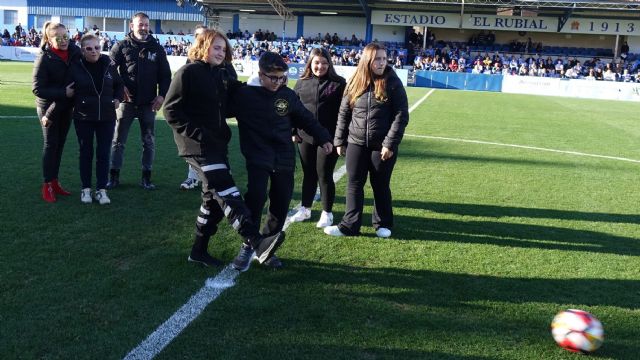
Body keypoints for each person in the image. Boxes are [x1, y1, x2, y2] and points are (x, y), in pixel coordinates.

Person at [163, 29, 284, 269]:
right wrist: (199, 134)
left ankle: (198, 251)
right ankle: (257, 241)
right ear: (203, 46)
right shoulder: (187, 72)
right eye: (216, 47)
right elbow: (170, 110)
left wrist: (259, 87)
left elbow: (231, 101)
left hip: (217, 144)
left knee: (213, 201)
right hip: (196, 146)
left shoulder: (223, 73)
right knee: (228, 193)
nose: (221, 52)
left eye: (223, 48)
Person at [229, 52, 333, 270]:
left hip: (284, 157)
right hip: (257, 156)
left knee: (281, 204)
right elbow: (217, 111)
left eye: (282, 77)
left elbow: (305, 118)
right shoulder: (244, 95)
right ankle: (249, 244)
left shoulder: (287, 95)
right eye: (272, 77)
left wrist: (323, 138)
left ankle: (267, 248)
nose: (277, 82)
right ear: (260, 74)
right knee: (255, 199)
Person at [324, 43, 409, 239]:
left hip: (382, 146)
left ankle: (382, 223)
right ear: (367, 60)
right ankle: (349, 225)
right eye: (377, 59)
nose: (381, 62)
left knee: (380, 185)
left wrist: (389, 143)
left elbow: (400, 115)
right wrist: (339, 140)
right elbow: (344, 112)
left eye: (384, 58)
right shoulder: (355, 81)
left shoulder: (393, 82)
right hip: (356, 142)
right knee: (354, 184)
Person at [107, 12, 171, 190]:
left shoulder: (157, 48)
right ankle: (113, 177)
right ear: (131, 26)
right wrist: (119, 88)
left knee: (148, 141)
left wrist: (162, 95)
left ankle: (146, 178)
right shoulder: (121, 46)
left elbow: (165, 76)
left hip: (148, 103)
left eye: (146, 24)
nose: (143, 27)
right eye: (140, 24)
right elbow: (109, 69)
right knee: (118, 141)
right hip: (126, 103)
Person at [289, 48, 346, 228]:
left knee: (324, 175)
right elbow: (292, 109)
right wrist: (293, 131)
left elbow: (344, 114)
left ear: (329, 64)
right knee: (308, 174)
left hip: (328, 138)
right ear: (310, 63)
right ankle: (305, 209)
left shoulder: (338, 83)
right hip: (305, 137)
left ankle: (327, 213)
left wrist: (339, 139)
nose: (319, 66)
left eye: (323, 63)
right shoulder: (301, 83)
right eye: (316, 62)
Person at [69, 34, 124, 204]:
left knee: (103, 153)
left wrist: (117, 98)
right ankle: (86, 189)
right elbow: (68, 90)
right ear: (82, 50)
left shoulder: (109, 63)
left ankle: (101, 189)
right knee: (85, 153)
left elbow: (119, 84)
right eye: (89, 48)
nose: (94, 51)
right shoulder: (75, 66)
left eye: (97, 47)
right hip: (83, 117)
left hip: (107, 117)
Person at [32, 21, 81, 203]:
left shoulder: (74, 52)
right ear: (49, 38)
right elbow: (37, 88)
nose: (63, 40)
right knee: (51, 144)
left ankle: (55, 182)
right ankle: (47, 185)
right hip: (47, 108)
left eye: (65, 36)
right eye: (58, 37)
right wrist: (63, 93)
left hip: (66, 106)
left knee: (60, 145)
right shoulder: (44, 57)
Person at [178, 24, 221, 191]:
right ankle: (193, 178)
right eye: (197, 36)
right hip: (193, 117)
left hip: (213, 118)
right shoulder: (189, 64)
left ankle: (211, 180)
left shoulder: (220, 62)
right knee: (196, 150)